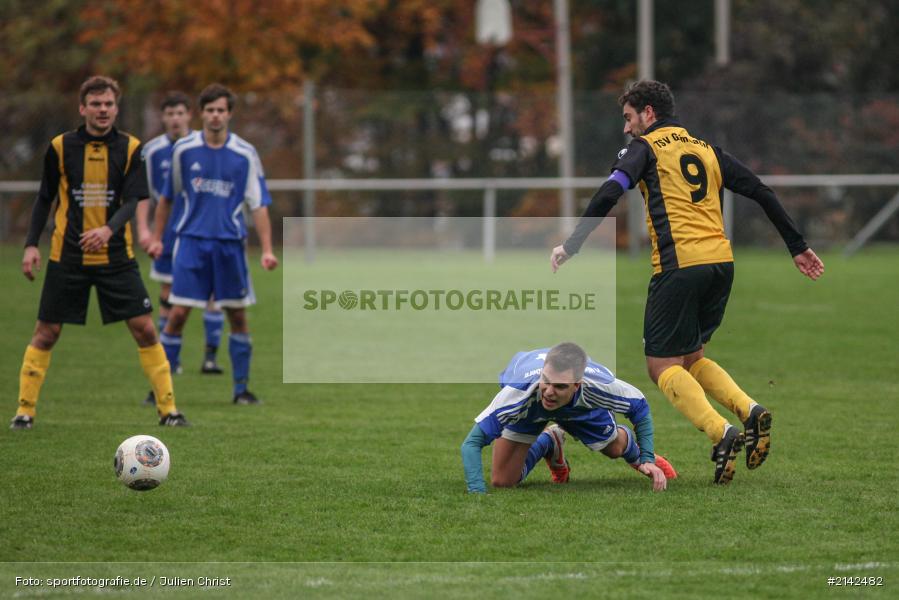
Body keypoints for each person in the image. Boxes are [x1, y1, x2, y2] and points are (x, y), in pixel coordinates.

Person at [550, 80, 825, 484]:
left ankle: (721, 433)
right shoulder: (705, 149)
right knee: (691, 358)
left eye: (629, 118)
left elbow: (611, 191)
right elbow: (760, 191)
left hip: (679, 267)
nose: (626, 128)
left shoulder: (644, 148)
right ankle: (749, 410)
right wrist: (797, 245)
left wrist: (571, 244)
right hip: (721, 265)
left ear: (648, 113)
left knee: (660, 364)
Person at [11, 75, 188, 430]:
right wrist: (32, 244)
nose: (102, 109)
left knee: (145, 330)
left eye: (108, 104)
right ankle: (24, 411)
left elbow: (135, 198)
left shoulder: (130, 147)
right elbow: (45, 197)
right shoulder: (61, 147)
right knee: (46, 332)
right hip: (68, 256)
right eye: (96, 103)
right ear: (83, 108)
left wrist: (109, 229)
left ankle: (169, 411)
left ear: (116, 108)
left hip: (116, 258)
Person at [148, 83, 278, 405]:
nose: (215, 115)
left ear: (229, 114)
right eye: (210, 110)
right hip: (191, 243)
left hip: (230, 245)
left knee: (237, 316)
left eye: (221, 110)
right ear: (201, 113)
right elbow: (166, 198)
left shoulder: (244, 154)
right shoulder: (185, 150)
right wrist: (156, 237)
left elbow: (258, 204)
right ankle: (160, 391)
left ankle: (241, 390)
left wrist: (267, 249)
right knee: (177, 315)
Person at [461, 342, 678, 494]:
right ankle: (549, 442)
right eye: (546, 381)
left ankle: (633, 451)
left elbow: (640, 407)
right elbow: (471, 444)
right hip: (531, 409)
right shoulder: (518, 392)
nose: (549, 391)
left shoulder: (600, 385)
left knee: (614, 449)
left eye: (560, 386)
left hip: (581, 409)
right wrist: (477, 491)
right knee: (503, 481)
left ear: (577, 385)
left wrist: (647, 459)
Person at [136, 92, 225, 407]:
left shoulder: (204, 146)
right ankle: (168, 364)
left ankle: (211, 358)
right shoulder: (152, 151)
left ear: (190, 115)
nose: (175, 118)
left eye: (180, 113)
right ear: (163, 118)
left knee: (213, 295)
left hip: (202, 233)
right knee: (169, 299)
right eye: (169, 113)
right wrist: (145, 230)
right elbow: (144, 194)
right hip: (170, 235)